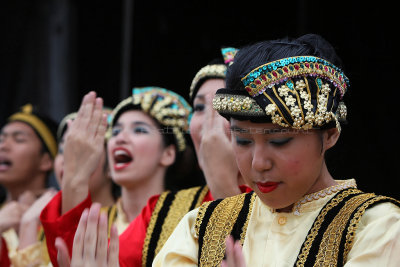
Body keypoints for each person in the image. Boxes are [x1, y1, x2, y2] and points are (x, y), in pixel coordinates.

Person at [152, 34, 400, 266]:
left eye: (279, 141)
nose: (258, 163)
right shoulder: (200, 226)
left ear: (330, 134)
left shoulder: (377, 227)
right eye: (242, 140)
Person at [40, 87, 193, 267]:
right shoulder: (97, 221)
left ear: (168, 154)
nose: (120, 138)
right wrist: (76, 175)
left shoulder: (190, 214)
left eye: (139, 130)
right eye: (115, 132)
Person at [0, 104, 58, 266]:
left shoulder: (58, 220)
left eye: (19, 139)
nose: (3, 146)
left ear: (46, 161)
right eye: (1, 139)